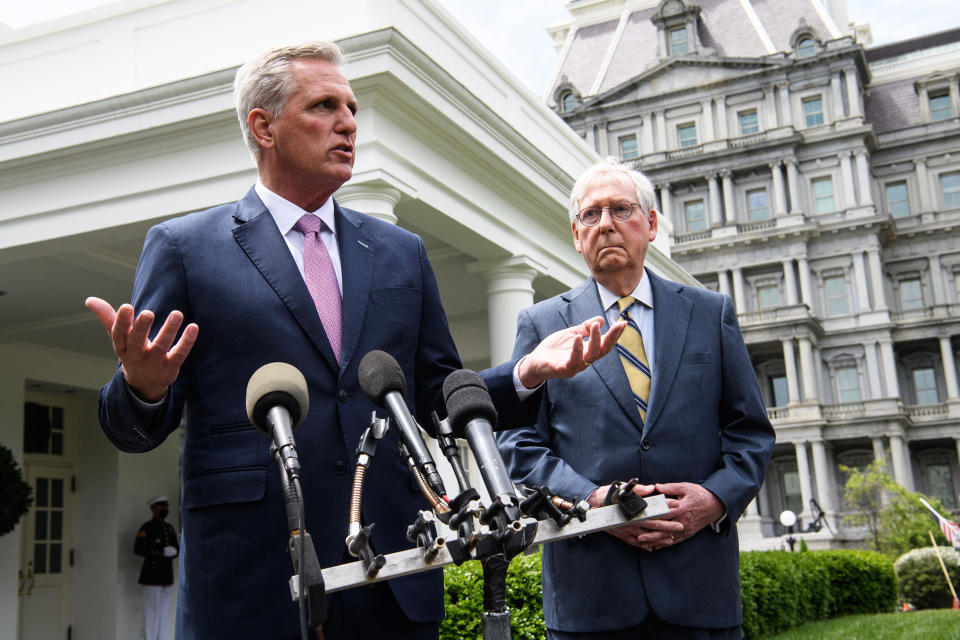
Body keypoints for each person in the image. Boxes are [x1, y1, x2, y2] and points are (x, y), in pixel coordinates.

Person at [86, 42, 620, 640]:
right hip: (252, 584)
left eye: (352, 108)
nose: (347, 123)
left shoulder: (400, 252)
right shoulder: (187, 248)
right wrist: (143, 387)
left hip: (393, 573)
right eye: (323, 106)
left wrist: (526, 372)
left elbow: (436, 395)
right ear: (263, 126)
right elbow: (130, 428)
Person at [497, 158, 776, 639]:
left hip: (699, 589)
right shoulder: (542, 324)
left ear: (649, 225)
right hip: (590, 593)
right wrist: (591, 503)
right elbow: (516, 444)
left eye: (620, 209)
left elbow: (750, 433)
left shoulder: (710, 313)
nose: (605, 223)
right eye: (591, 215)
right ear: (576, 234)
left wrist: (714, 500)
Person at [135, 496, 179, 640]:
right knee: (151, 614)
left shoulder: (169, 528)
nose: (165, 509)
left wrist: (174, 552)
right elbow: (139, 548)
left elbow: (176, 548)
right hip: (151, 577)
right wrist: (161, 552)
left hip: (166, 576)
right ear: (154, 509)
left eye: (165, 506)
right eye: (161, 507)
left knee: (164, 614)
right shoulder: (147, 527)